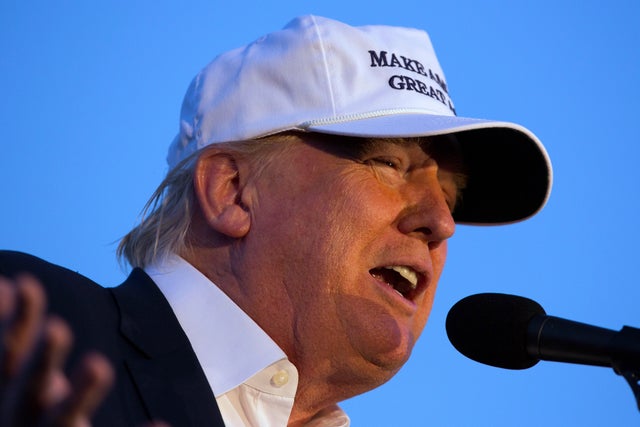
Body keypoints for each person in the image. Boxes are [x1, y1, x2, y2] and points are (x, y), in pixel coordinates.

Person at [0, 15, 552, 427]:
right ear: (232, 193)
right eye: (388, 164)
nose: (441, 223)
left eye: (450, 197)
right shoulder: (26, 319)